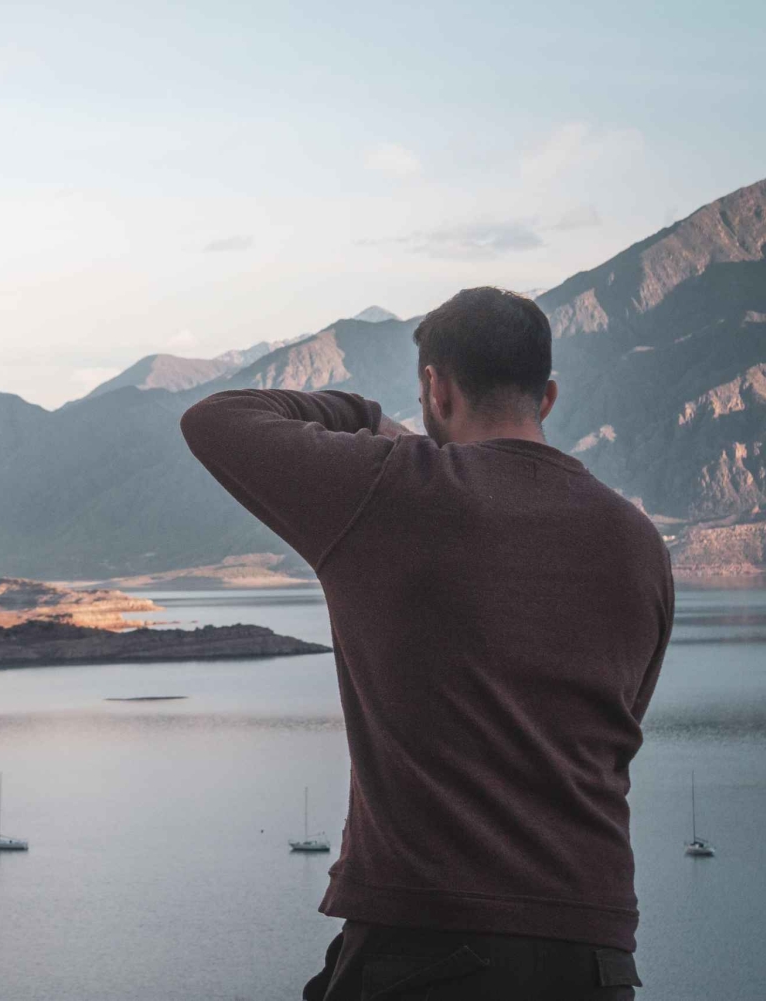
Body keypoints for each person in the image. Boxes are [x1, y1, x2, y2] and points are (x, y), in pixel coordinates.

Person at [180, 288, 671, 1000]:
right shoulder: (638, 542)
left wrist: (364, 416)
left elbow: (214, 419)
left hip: (434, 942)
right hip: (595, 953)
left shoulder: (396, 489)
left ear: (436, 389)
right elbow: (619, 727)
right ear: (548, 396)